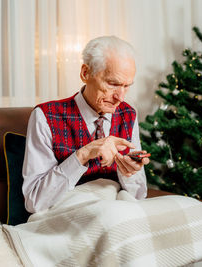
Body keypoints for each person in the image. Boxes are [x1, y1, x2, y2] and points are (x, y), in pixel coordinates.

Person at [22, 36, 149, 213]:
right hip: (69, 214)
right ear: (85, 73)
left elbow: (139, 196)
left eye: (126, 86)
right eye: (113, 84)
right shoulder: (46, 115)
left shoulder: (128, 114)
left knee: (191, 207)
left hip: (117, 210)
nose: (120, 97)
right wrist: (84, 154)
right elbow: (35, 202)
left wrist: (128, 173)